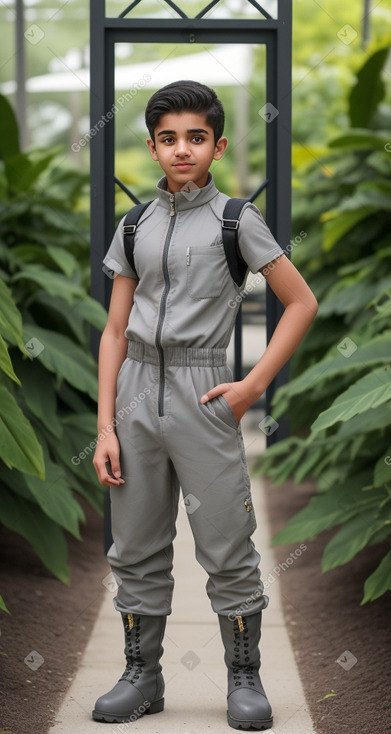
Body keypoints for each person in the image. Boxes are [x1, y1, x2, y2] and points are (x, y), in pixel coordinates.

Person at [92, 80, 318, 730]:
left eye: (195, 137)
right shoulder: (132, 224)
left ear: (216, 146)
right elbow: (113, 331)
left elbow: (299, 302)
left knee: (226, 545)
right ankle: (142, 677)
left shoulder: (234, 221)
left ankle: (243, 679)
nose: (181, 149)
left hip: (203, 395)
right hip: (135, 396)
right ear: (152, 146)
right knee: (133, 547)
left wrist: (251, 388)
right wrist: (104, 426)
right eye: (168, 138)